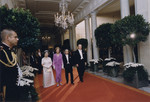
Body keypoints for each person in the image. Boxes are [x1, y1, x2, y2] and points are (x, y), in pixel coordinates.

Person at [0, 29, 20, 101]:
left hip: (12, 89)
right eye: (15, 37)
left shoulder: (9, 51)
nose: (17, 39)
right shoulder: (2, 52)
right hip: (6, 91)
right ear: (8, 38)